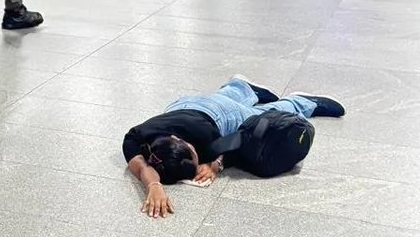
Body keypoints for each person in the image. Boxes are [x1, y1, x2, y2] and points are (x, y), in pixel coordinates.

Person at [124, 76, 345, 219]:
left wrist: (215, 165)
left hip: (220, 114)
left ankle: (300, 102)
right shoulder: (137, 136)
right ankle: (241, 86)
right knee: (221, 97)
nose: (198, 158)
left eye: (195, 156)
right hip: (183, 104)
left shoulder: (207, 140)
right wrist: (154, 186)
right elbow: (143, 165)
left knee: (261, 119)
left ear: (183, 142)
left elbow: (238, 143)